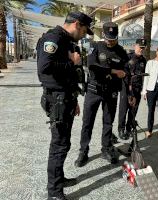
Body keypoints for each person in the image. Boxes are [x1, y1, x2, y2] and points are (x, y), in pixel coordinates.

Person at [37, 11, 93, 200]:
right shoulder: (53, 38)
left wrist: (75, 100)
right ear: (77, 24)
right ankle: (53, 192)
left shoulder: (66, 40)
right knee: (58, 146)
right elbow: (44, 68)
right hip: (57, 101)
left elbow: (68, 77)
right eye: (85, 30)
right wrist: (71, 61)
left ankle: (58, 179)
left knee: (64, 144)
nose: (85, 34)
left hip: (66, 99)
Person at [74, 22, 128, 167]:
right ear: (103, 35)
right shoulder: (95, 47)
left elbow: (126, 72)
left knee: (108, 123)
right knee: (87, 122)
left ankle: (106, 148)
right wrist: (113, 71)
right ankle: (83, 151)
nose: (110, 41)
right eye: (108, 38)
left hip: (111, 93)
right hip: (94, 90)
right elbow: (92, 66)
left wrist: (128, 91)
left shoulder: (121, 52)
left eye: (113, 38)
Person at [118, 38, 147, 140]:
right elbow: (124, 73)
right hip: (126, 87)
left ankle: (128, 128)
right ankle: (121, 130)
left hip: (137, 88)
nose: (141, 49)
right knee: (123, 109)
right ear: (135, 46)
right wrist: (128, 87)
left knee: (133, 110)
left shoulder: (144, 60)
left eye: (143, 48)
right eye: (140, 47)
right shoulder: (127, 57)